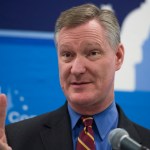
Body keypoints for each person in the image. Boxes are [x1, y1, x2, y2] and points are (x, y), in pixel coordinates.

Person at [0, 3, 150, 150]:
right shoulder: (14, 140)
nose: (77, 69)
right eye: (67, 54)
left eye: (92, 53)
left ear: (118, 56)